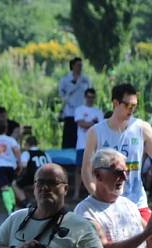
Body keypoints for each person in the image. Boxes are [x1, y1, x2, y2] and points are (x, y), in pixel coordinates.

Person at [82, 83, 152, 227]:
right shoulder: (95, 132)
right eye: (128, 106)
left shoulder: (142, 128)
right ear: (115, 103)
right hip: (107, 205)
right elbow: (86, 170)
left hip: (137, 202)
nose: (132, 110)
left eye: (135, 106)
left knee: (149, 244)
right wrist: (98, 197)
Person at [0, 120, 25, 213]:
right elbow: (17, 151)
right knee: (10, 186)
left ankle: (10, 209)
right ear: (6, 129)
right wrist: (19, 163)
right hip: (11, 166)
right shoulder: (10, 139)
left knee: (4, 188)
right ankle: (13, 206)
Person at [73, 88, 103, 200]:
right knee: (79, 168)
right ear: (85, 97)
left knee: (94, 168)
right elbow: (81, 124)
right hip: (81, 144)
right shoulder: (79, 110)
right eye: (88, 97)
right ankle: (76, 193)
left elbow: (100, 127)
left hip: (95, 145)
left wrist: (89, 124)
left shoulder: (98, 111)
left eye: (92, 97)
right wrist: (92, 123)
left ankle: (92, 192)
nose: (90, 99)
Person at [59, 57, 92, 149]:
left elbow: (90, 93)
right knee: (69, 137)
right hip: (70, 112)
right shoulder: (65, 80)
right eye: (78, 65)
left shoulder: (86, 80)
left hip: (82, 112)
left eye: (81, 65)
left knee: (81, 137)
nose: (80, 67)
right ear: (73, 66)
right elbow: (61, 95)